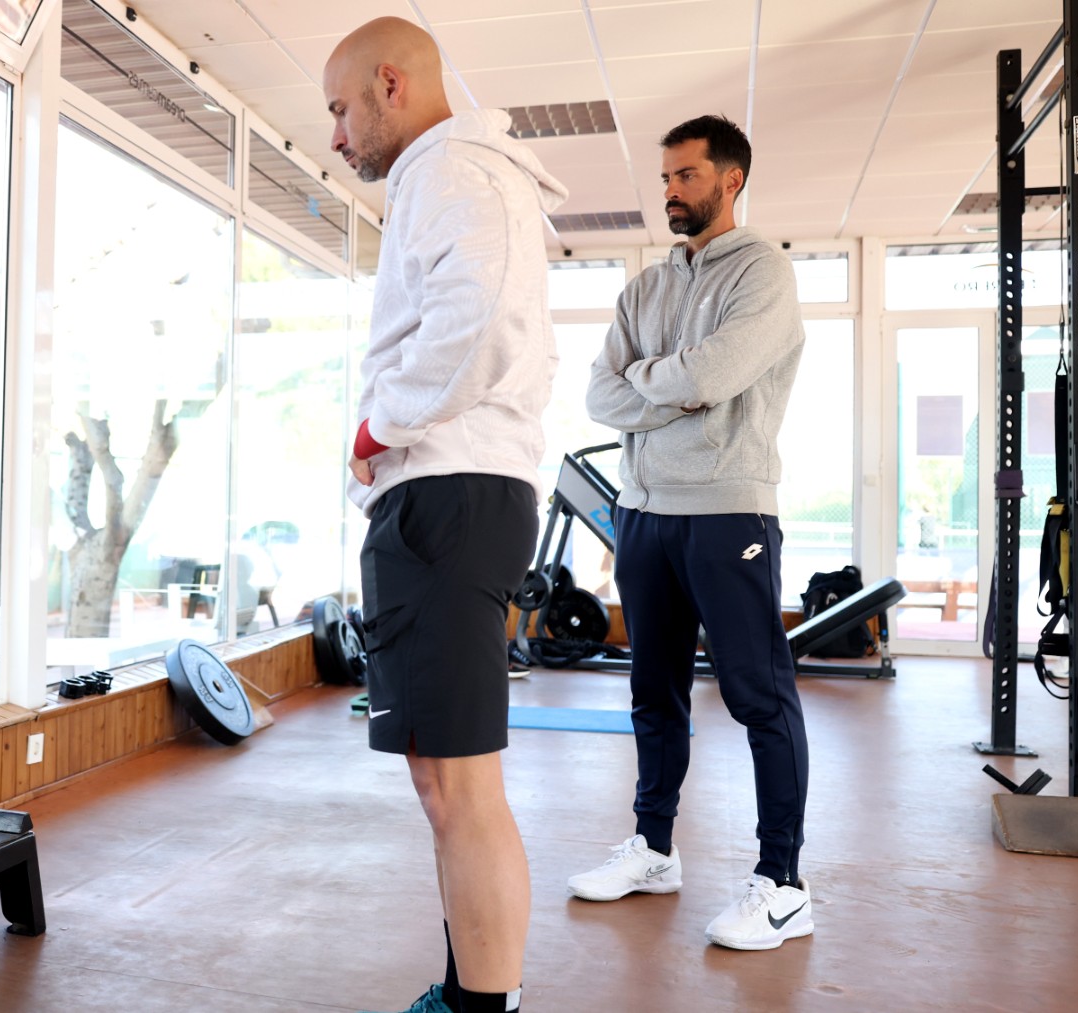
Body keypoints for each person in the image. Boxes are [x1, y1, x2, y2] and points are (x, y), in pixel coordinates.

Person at [324, 17, 565, 1013]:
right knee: (441, 778)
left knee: (462, 786)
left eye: (340, 110)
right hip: (445, 494)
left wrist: (380, 427)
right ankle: (471, 987)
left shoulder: (452, 167)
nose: (337, 137)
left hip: (449, 492)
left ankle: (484, 1004)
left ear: (391, 84)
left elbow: (481, 322)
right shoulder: (446, 175)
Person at [578, 114, 812, 950]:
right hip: (643, 512)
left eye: (686, 176)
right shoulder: (644, 288)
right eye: (667, 177)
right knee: (653, 690)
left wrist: (660, 383)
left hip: (727, 509)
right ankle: (653, 847)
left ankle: (784, 882)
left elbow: (713, 374)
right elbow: (598, 395)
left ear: (730, 180)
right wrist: (665, 386)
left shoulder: (764, 274)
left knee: (757, 695)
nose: (671, 190)